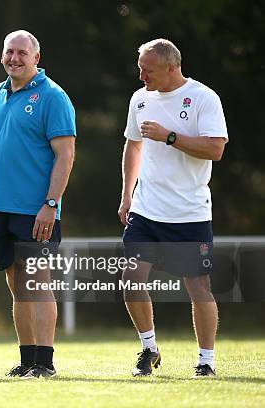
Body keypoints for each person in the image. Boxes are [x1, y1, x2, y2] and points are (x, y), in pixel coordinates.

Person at [0, 30, 76, 379]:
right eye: (9, 52)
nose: (14, 58)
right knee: (17, 285)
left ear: (36, 57)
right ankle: (27, 359)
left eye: (22, 53)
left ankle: (45, 363)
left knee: (37, 282)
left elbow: (65, 156)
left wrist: (51, 203)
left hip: (37, 209)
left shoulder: (53, 97)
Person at [118, 38, 228, 377]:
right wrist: (126, 194)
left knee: (198, 288)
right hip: (146, 210)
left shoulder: (204, 98)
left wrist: (170, 136)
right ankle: (149, 349)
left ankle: (206, 362)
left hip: (190, 213)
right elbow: (133, 147)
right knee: (130, 278)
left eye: (147, 70)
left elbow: (215, 149)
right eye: (140, 69)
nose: (141, 77)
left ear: (171, 68)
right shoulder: (139, 99)